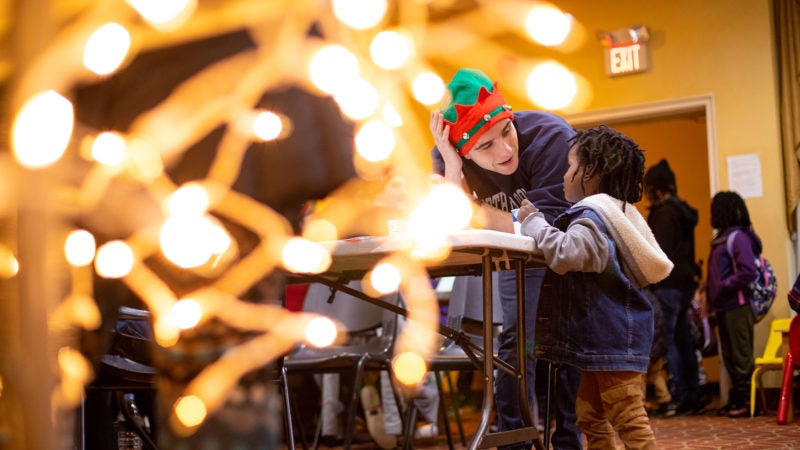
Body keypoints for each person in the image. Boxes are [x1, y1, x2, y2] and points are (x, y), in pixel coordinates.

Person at [429, 68, 582, 449]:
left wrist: (472, 211)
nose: (505, 150)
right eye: (485, 146)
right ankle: (515, 440)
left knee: (564, 343)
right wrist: (451, 167)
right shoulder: (446, 154)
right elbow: (454, 228)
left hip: (568, 249)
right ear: (460, 149)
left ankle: (567, 439)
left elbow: (549, 230)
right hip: (514, 259)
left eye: (506, 131)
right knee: (517, 342)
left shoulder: (552, 138)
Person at [516, 125, 673, 449]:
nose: (564, 174)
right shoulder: (614, 213)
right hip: (602, 342)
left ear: (591, 173)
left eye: (571, 166)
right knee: (590, 416)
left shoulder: (592, 217)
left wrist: (535, 223)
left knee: (627, 416)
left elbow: (566, 253)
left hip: (610, 341)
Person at [643, 159, 705, 415]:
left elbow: (659, 252)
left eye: (648, 188)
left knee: (669, 342)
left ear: (657, 188)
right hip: (683, 284)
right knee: (683, 341)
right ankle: (693, 396)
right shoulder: (682, 212)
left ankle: (678, 396)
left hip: (667, 285)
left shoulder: (665, 213)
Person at [705, 191, 760, 418]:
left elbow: (749, 271)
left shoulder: (738, 237)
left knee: (741, 357)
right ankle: (736, 400)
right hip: (723, 307)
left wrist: (724, 285)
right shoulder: (722, 239)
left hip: (738, 305)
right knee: (729, 357)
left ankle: (748, 402)